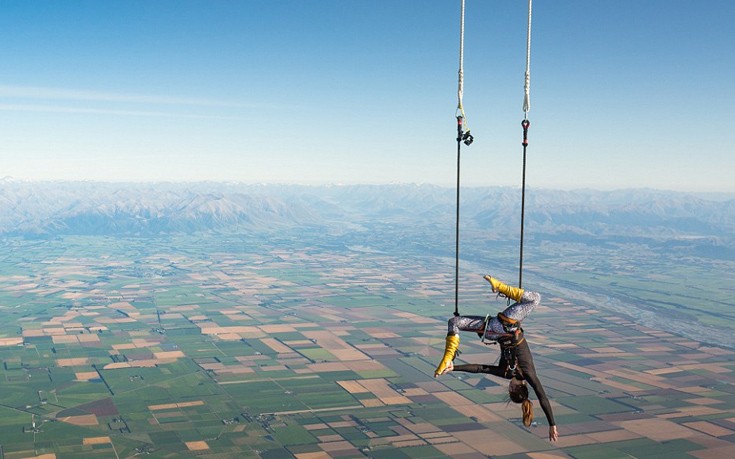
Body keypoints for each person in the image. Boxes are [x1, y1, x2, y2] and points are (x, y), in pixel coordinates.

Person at [434, 275, 559, 442]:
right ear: (512, 389)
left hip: (506, 325)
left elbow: (542, 396)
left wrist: (552, 424)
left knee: (535, 298)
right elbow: (480, 368)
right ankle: (447, 359)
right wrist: (454, 368)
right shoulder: (505, 373)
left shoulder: (528, 372)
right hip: (492, 332)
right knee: (454, 322)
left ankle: (499, 286)